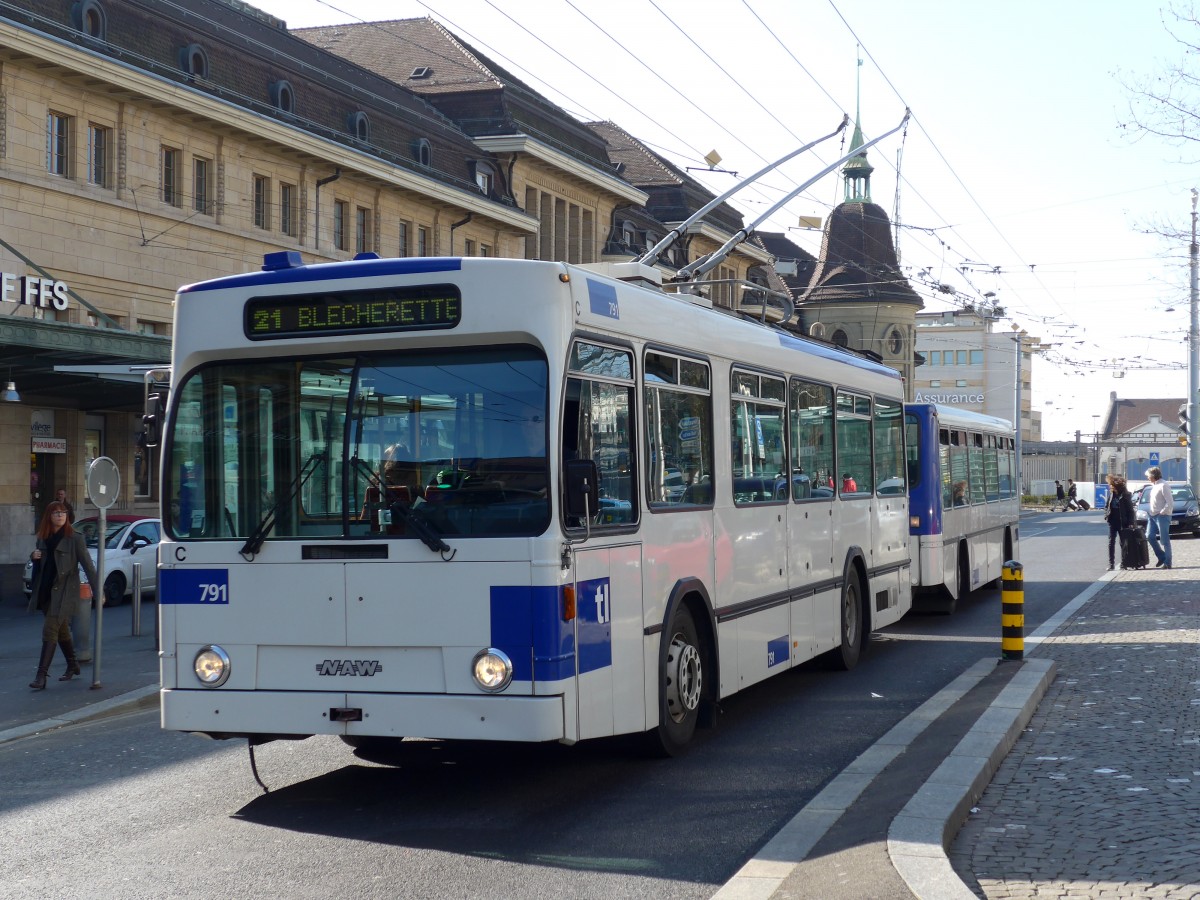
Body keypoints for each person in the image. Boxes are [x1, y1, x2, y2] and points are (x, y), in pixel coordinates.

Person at [26, 500, 101, 690]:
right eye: (55, 513)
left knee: (50, 630)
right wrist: (33, 557)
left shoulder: (75, 538)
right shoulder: (43, 537)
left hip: (65, 591)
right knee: (61, 631)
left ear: (67, 516)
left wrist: (98, 591)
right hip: (45, 591)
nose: (60, 515)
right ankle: (73, 664)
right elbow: (41, 565)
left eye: (63, 512)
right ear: (49, 516)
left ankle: (41, 676)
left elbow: (88, 566)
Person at [1104, 474, 1136, 570]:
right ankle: (1111, 564)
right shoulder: (1112, 494)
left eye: (1112, 485)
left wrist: (1131, 522)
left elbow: (1130, 510)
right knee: (1111, 542)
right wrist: (1106, 515)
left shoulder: (1126, 496)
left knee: (1123, 543)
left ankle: (1124, 563)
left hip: (1123, 522)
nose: (1111, 487)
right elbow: (1107, 506)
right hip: (1112, 521)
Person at [1145, 466, 1173, 569]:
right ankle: (1162, 556)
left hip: (1162, 516)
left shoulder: (1164, 485)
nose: (1147, 478)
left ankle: (1168, 562)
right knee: (1149, 536)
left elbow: (1169, 502)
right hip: (1152, 515)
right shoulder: (1154, 485)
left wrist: (1163, 512)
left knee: (1164, 540)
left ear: (1153, 475)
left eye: (1148, 476)